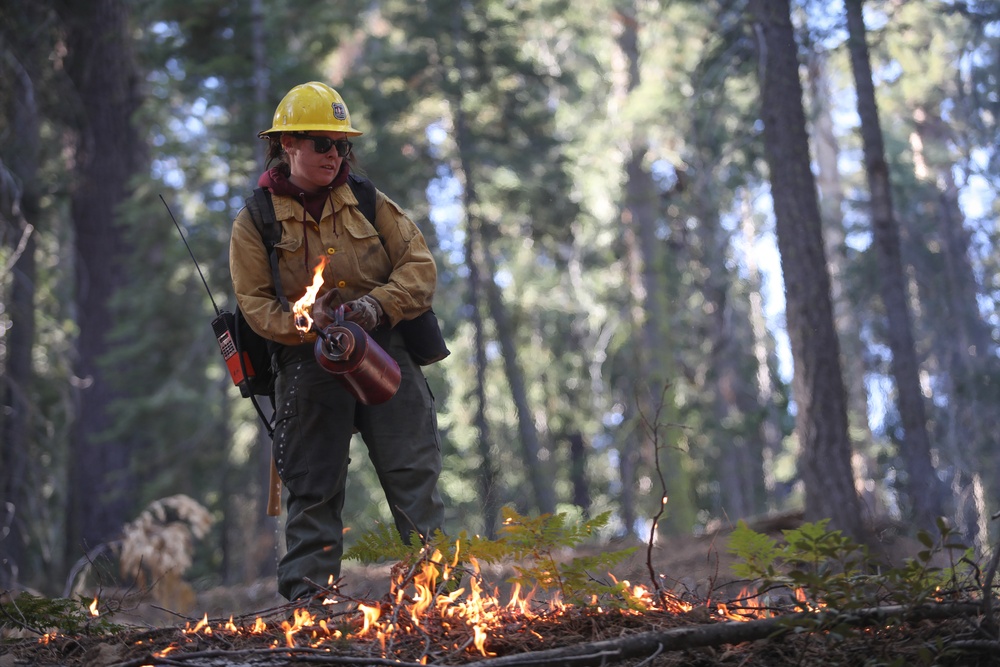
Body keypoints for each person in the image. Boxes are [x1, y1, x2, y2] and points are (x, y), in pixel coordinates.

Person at [230, 81, 445, 602]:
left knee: (413, 471)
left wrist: (376, 306)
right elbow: (255, 304)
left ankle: (441, 598)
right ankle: (310, 609)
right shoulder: (256, 220)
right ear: (289, 146)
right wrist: (304, 324)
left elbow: (419, 267)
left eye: (342, 144)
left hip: (382, 350)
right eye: (323, 143)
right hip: (305, 366)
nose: (335, 155)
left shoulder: (369, 200)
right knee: (312, 487)